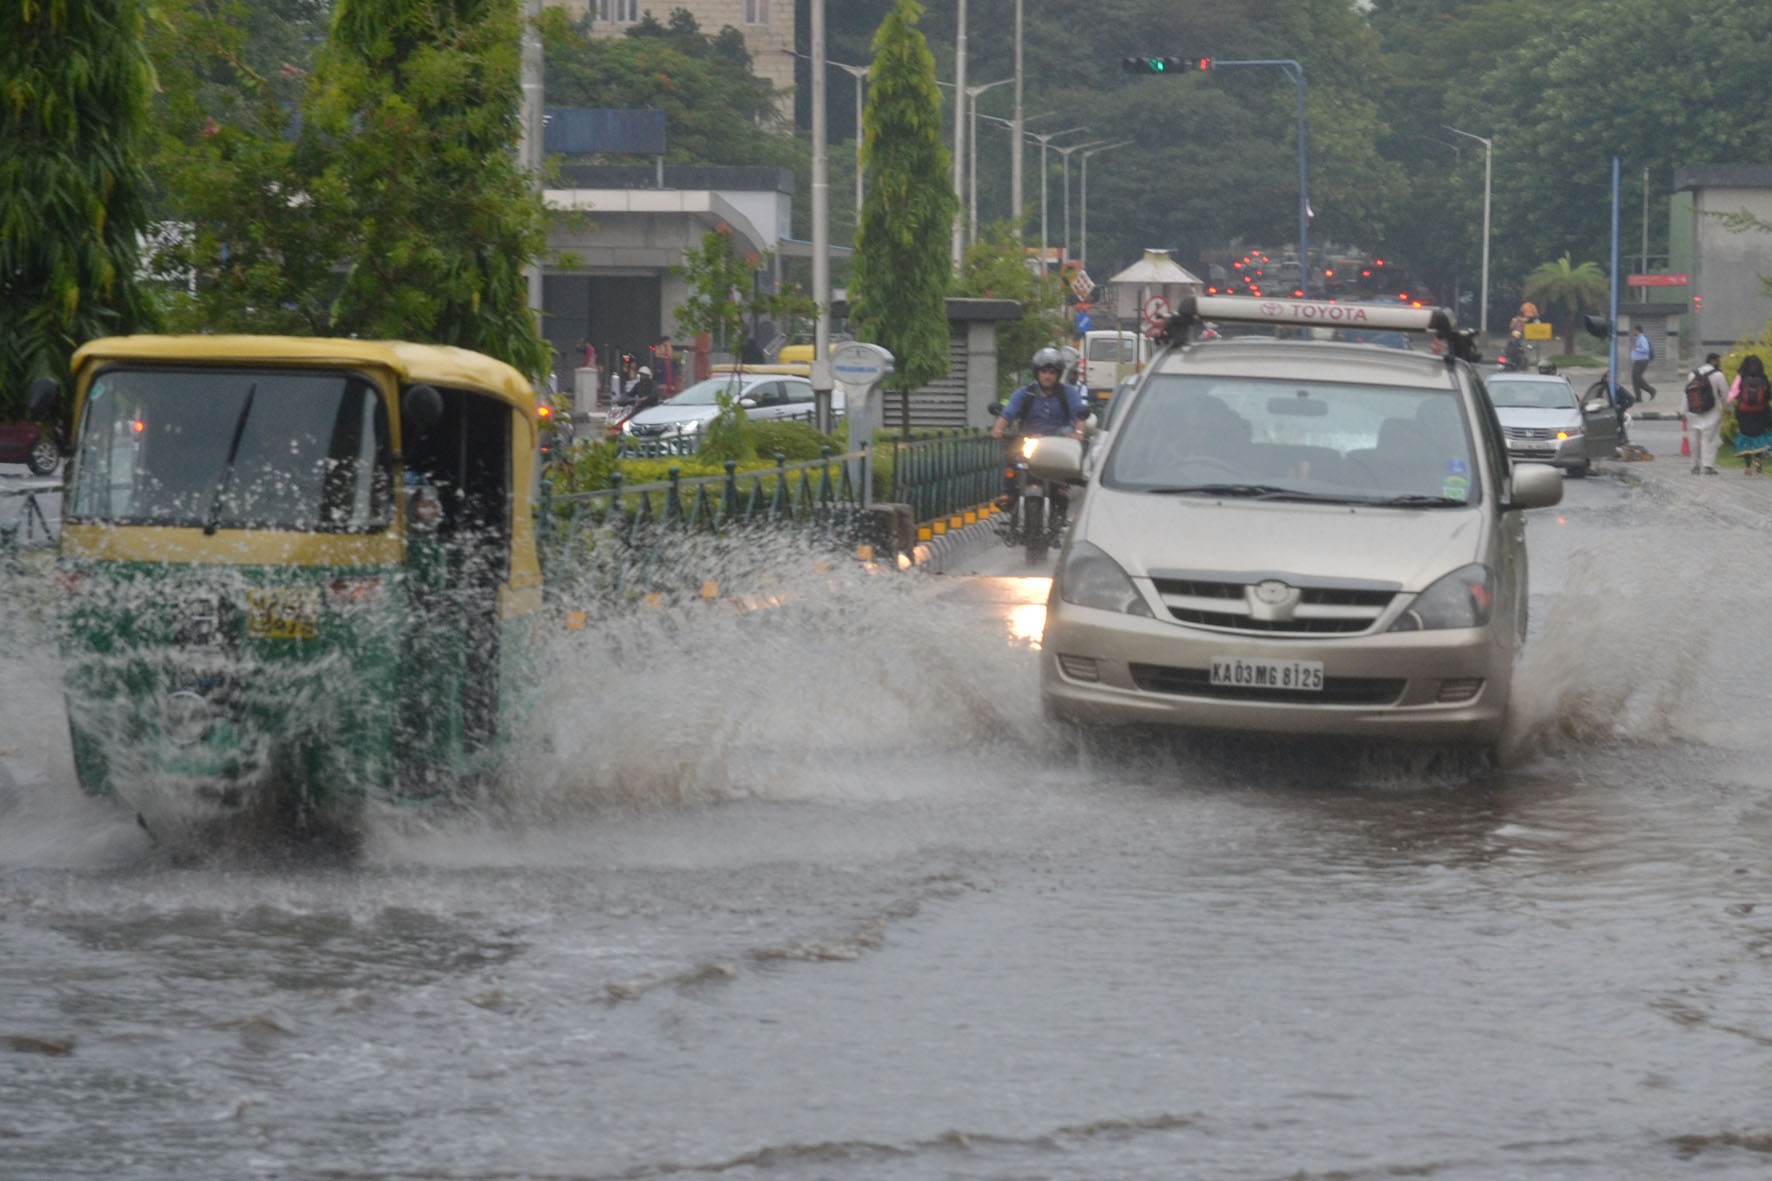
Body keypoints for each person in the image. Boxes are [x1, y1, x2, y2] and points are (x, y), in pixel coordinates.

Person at [991, 346, 1089, 509]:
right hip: (1027, 439)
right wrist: (998, 429)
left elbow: (1079, 415)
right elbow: (1008, 413)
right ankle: (1007, 492)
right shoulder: (1025, 393)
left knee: (1064, 462)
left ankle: (1062, 487)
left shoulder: (1068, 393)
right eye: (1044, 372)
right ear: (1037, 373)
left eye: (1051, 373)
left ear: (1058, 374)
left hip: (1057, 442)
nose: (1047, 376)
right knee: (1011, 457)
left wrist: (1078, 432)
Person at [1684, 353, 1728, 475]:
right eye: (1719, 361)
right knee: (1709, 439)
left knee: (1694, 439)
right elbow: (1725, 394)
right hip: (1712, 412)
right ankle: (1708, 466)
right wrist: (1729, 409)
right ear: (1714, 361)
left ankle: (1694, 466)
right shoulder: (1718, 375)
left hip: (1694, 411)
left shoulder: (1693, 374)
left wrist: (1684, 411)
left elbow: (1686, 393)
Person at [1730, 354, 1772, 475]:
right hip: (1761, 412)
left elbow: (1735, 394)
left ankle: (1747, 465)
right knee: (1759, 435)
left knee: (1746, 435)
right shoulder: (1763, 378)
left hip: (1744, 412)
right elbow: (1768, 395)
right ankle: (1758, 459)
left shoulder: (1741, 377)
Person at [1630, 326, 1657, 403]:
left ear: (1637, 331)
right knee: (1635, 379)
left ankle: (1651, 390)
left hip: (1642, 361)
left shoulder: (1642, 339)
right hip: (1638, 361)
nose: (1633, 332)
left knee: (1636, 378)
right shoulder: (1638, 339)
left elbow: (1646, 349)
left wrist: (1636, 348)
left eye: (1634, 331)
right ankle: (1638, 397)